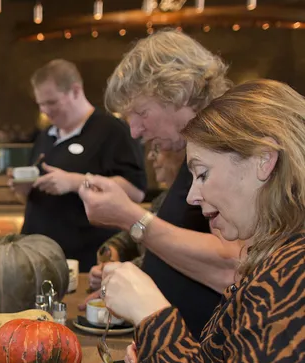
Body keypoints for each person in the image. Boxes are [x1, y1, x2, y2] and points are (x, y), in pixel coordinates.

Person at [101, 79, 305, 363]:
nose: (193, 196)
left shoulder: (292, 272)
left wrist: (154, 318)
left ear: (263, 161)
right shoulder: (275, 255)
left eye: (203, 173)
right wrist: (161, 360)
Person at [79, 30, 242, 338]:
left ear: (181, 90)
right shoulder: (196, 150)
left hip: (207, 361)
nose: (136, 131)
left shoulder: (229, 147)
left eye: (142, 112)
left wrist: (130, 217)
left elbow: (233, 266)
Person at [7, 59, 147, 271]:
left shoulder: (111, 130)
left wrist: (75, 182)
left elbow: (136, 191)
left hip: (85, 257)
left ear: (75, 91)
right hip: (37, 254)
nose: (45, 111)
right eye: (40, 104)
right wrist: (23, 189)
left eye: (52, 103)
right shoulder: (46, 136)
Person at [86, 143, 185, 292]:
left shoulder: (190, 205)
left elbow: (168, 259)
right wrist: (112, 252)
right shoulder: (163, 199)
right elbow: (133, 234)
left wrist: (117, 272)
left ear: (183, 154)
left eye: (157, 148)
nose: (150, 156)